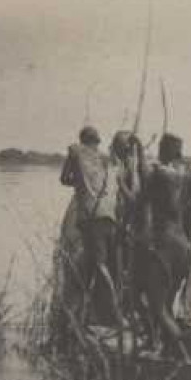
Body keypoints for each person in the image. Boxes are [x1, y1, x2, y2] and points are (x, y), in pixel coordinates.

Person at [59, 125, 134, 333]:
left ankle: (115, 315)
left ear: (82, 140)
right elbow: (124, 193)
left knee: (100, 266)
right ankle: (100, 314)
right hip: (111, 219)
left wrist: (79, 184)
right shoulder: (109, 161)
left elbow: (64, 179)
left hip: (91, 220)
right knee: (108, 265)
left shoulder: (75, 152)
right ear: (99, 142)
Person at [131, 134, 191, 350]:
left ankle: (183, 355)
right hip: (185, 246)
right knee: (167, 303)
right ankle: (156, 343)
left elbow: (140, 195)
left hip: (166, 244)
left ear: (165, 150)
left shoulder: (159, 174)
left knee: (156, 306)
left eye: (161, 146)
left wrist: (139, 151)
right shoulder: (188, 175)